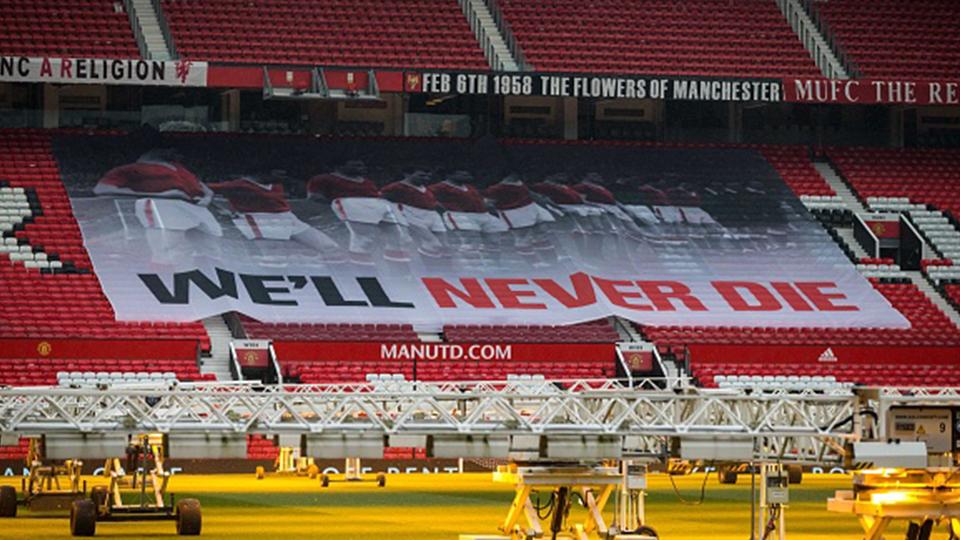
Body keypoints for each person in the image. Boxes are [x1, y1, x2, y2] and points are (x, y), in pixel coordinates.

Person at [208, 173, 346, 263]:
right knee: (275, 258)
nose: (281, 174)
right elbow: (203, 189)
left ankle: (338, 277)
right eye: (276, 171)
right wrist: (219, 209)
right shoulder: (238, 185)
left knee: (330, 247)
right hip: (260, 220)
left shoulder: (276, 184)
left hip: (289, 218)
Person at [307, 160, 409, 264]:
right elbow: (314, 197)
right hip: (349, 209)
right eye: (356, 165)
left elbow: (375, 196)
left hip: (374, 210)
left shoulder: (367, 182)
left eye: (362, 166)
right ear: (340, 166)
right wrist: (340, 204)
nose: (361, 168)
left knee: (398, 236)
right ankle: (361, 267)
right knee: (364, 240)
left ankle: (398, 267)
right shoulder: (324, 179)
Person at [429, 170, 507, 263]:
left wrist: (488, 205)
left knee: (494, 241)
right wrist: (440, 208)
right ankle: (470, 266)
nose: (467, 176)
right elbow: (428, 197)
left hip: (483, 215)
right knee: (471, 242)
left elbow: (480, 200)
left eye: (468, 174)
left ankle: (495, 263)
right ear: (449, 175)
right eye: (463, 174)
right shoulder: (439, 187)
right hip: (460, 215)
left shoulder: (470, 187)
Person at [380, 167, 446, 259]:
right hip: (412, 215)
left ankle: (431, 263)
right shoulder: (396, 187)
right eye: (421, 175)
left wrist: (438, 206)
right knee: (432, 242)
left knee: (442, 243)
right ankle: (405, 261)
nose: (426, 178)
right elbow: (381, 199)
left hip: (431, 216)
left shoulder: (425, 189)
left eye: (428, 176)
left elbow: (430, 201)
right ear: (407, 174)